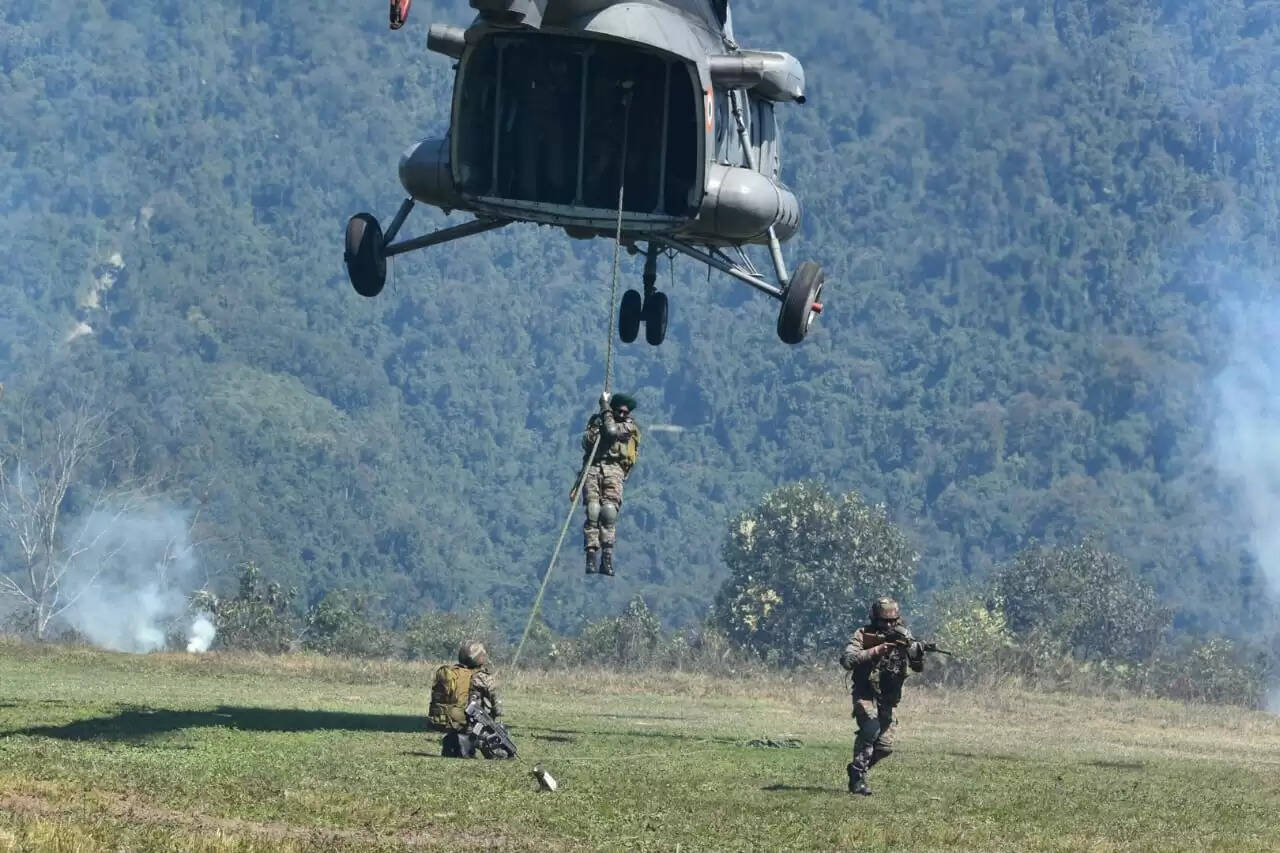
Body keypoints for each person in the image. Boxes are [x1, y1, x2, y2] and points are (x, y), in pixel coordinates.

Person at [838, 597, 926, 795]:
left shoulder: (904, 636)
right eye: (884, 621)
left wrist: (916, 654)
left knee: (885, 746)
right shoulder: (863, 634)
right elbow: (847, 660)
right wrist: (877, 650)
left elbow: (918, 668)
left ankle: (856, 770)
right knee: (871, 727)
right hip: (865, 691)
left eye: (892, 621)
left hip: (888, 695)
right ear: (875, 619)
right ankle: (859, 778)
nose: (888, 625)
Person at [577, 392, 640, 576]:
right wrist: (603, 417)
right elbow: (587, 441)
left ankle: (607, 557)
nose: (622, 415)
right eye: (618, 411)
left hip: (614, 470)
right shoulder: (597, 422)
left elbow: (612, 432)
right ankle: (591, 555)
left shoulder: (628, 427)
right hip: (593, 468)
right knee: (593, 510)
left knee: (609, 512)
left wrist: (605, 408)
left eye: (624, 412)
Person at [428, 640, 503, 758]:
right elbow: (496, 701)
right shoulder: (482, 677)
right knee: (493, 733)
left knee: (455, 734)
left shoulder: (452, 673)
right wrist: (496, 714)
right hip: (469, 722)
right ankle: (490, 753)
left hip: (451, 720)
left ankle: (452, 746)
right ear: (480, 658)